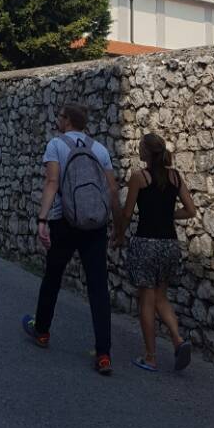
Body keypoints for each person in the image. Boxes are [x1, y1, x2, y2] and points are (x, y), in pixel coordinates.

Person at [22, 102, 122, 374]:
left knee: (53, 276)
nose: (58, 120)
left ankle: (42, 331)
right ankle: (103, 354)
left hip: (63, 221)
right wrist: (118, 226)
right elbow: (112, 190)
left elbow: (52, 183)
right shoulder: (99, 149)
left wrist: (42, 219)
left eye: (60, 116)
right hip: (95, 224)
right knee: (98, 286)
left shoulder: (56, 145)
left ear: (66, 121)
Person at [118, 132, 196, 373]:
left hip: (146, 244)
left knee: (147, 301)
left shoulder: (139, 177)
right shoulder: (175, 176)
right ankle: (178, 340)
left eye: (140, 147)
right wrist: (168, 214)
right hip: (170, 245)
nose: (138, 150)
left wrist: (118, 234)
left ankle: (150, 357)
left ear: (147, 153)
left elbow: (128, 213)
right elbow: (190, 210)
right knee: (161, 297)